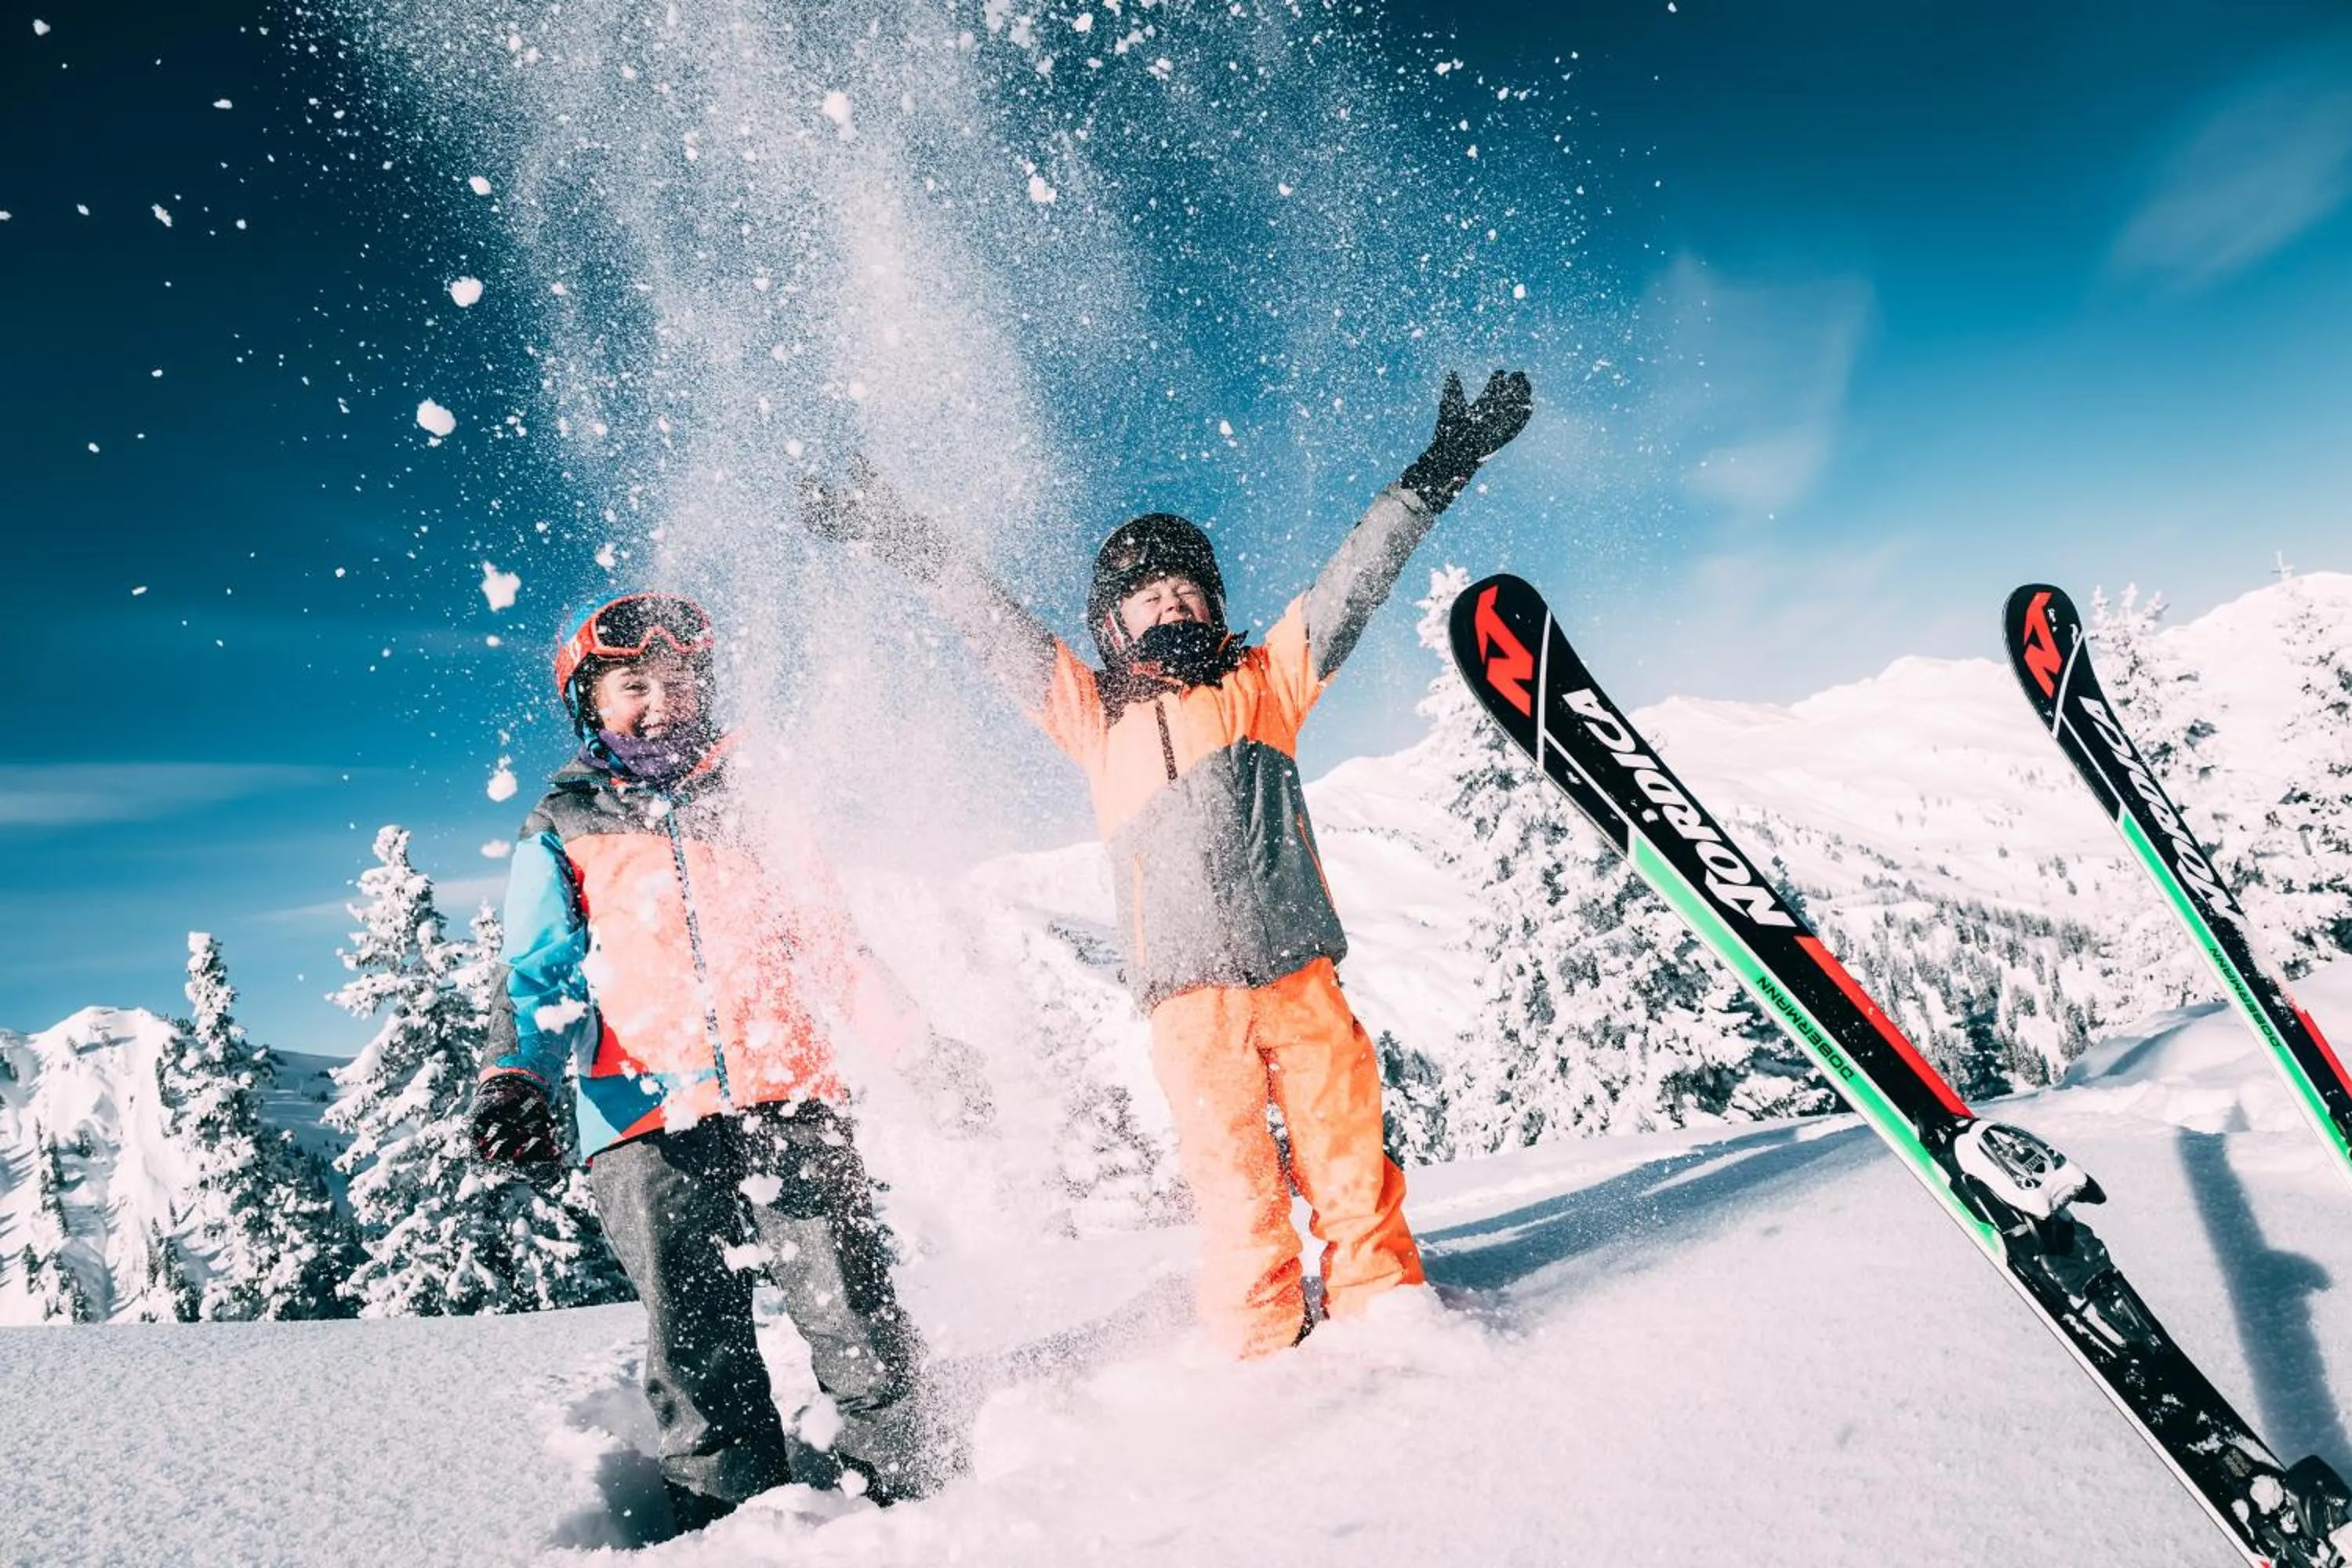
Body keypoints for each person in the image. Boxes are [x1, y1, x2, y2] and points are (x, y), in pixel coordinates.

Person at [804, 369, 1534, 1359]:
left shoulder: (1267, 682)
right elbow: (996, 629)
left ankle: (1386, 1315)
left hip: (1300, 976)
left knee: (1350, 1163)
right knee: (1236, 1187)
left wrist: (1437, 471)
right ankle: (1262, 1347)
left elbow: (1350, 582)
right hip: (1190, 1007)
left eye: (1190, 589)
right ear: (1114, 626)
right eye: (1150, 597)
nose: (1174, 604)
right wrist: (911, 543)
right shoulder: (1093, 718)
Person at [467, 590, 946, 1533]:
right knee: (694, 1338)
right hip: (642, 1122)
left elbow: (833, 947)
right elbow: (536, 974)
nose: (660, 701)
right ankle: (726, 1521)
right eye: (633, 684)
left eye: (679, 681)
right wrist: (515, 1074)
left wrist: (916, 1048)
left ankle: (919, 1498)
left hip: (790, 1095)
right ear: (590, 703)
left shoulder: (759, 802)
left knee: (852, 1308)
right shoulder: (562, 821)